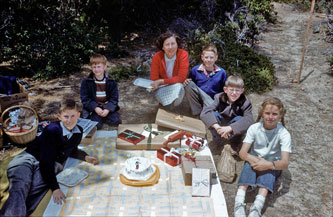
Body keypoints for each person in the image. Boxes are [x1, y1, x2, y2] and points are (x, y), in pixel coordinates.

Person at [0, 99, 99, 216]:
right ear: (59, 116)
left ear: (78, 115)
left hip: (49, 164)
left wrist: (85, 157)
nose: (69, 120)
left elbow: (70, 149)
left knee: (33, 191)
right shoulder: (51, 130)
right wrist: (55, 188)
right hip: (28, 159)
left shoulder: (78, 132)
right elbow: (46, 161)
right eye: (66, 116)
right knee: (21, 185)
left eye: (73, 116)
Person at [234, 97, 292, 217]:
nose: (270, 117)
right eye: (267, 113)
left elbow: (285, 162)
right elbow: (243, 153)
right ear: (262, 113)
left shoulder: (284, 134)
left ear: (280, 115)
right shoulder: (254, 128)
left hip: (272, 163)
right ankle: (239, 202)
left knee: (268, 172)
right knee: (248, 165)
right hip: (255, 158)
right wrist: (258, 161)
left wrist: (267, 164)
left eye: (275, 114)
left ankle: (257, 206)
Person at [200, 75, 254, 153]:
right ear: (225, 89)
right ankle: (218, 140)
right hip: (221, 125)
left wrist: (230, 128)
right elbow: (205, 112)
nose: (234, 93)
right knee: (214, 115)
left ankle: (234, 143)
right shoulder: (219, 97)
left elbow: (250, 120)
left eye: (237, 90)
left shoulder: (245, 102)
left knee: (240, 119)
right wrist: (218, 127)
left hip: (234, 128)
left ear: (242, 91)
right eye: (231, 90)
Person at [183, 44, 227, 116]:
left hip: (212, 102)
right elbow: (191, 89)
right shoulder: (195, 70)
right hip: (198, 101)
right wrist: (185, 82)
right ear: (202, 57)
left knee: (214, 113)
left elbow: (224, 92)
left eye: (211, 57)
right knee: (189, 84)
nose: (209, 60)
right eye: (206, 57)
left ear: (216, 58)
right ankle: (197, 113)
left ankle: (208, 113)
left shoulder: (221, 73)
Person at [80, 53, 121, 130]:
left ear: (104, 67)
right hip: (95, 108)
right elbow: (85, 99)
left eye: (99, 67)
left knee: (116, 122)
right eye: (94, 67)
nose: (96, 69)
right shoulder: (86, 81)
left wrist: (107, 109)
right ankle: (98, 119)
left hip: (107, 107)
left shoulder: (111, 81)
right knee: (96, 126)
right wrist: (95, 108)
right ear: (91, 68)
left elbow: (114, 98)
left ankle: (105, 117)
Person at [150, 31, 189, 109]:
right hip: (161, 87)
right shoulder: (156, 57)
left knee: (179, 87)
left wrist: (162, 81)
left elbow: (181, 77)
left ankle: (170, 108)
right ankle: (166, 107)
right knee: (178, 86)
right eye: (167, 45)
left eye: (173, 43)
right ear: (163, 47)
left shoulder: (183, 54)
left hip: (176, 85)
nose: (170, 47)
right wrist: (163, 83)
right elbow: (154, 79)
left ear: (177, 44)